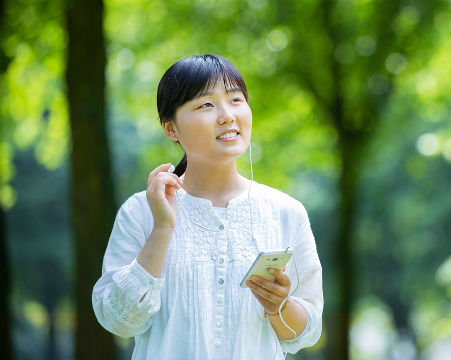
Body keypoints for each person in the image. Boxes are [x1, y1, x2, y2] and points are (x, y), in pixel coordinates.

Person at [92, 54, 323, 360]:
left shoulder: (286, 213)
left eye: (236, 99)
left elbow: (307, 332)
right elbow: (118, 320)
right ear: (171, 129)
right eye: (206, 105)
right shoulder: (141, 211)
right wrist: (163, 228)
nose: (227, 115)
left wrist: (279, 306)